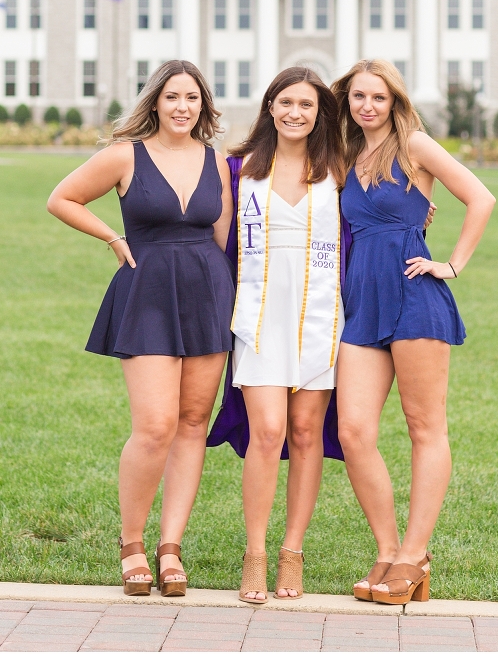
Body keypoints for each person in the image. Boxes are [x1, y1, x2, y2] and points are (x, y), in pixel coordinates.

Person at [46, 61, 234, 597]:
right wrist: (110, 236)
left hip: (206, 293)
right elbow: (62, 198)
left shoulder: (214, 162)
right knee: (155, 426)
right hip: (147, 291)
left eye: (192, 98)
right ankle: (132, 543)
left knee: (194, 421)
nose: (182, 106)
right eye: (172, 96)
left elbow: (222, 236)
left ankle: (170, 546)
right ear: (154, 101)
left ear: (203, 106)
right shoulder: (125, 155)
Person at [333, 59, 495, 606]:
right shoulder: (345, 155)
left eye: (378, 97)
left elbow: (482, 198)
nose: (367, 106)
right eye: (358, 96)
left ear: (395, 101)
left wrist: (450, 265)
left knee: (425, 427)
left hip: (412, 295)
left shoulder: (416, 146)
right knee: (353, 431)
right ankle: (386, 549)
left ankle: (415, 555)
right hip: (361, 303)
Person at [208, 67, 347, 602]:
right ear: (270, 107)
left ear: (319, 115)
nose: (295, 113)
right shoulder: (239, 170)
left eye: (306, 105)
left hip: (321, 316)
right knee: (268, 432)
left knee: (307, 432)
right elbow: (214, 235)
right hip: (258, 315)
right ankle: (256, 552)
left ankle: (293, 552)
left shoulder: (339, 169)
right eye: (286, 102)